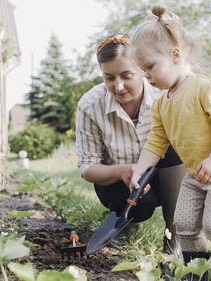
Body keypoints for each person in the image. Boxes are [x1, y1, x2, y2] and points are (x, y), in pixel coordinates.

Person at [128, 6, 211, 281]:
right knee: (183, 225)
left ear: (175, 55)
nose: (147, 76)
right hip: (195, 174)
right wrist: (139, 171)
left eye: (150, 67)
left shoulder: (206, 88)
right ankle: (196, 274)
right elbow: (155, 144)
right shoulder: (162, 104)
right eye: (142, 70)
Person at [75, 33, 184, 253]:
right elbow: (87, 168)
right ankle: (126, 225)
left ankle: (175, 238)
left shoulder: (165, 95)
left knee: (175, 151)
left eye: (127, 75)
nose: (119, 86)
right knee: (139, 206)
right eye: (109, 78)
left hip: (166, 178)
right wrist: (124, 171)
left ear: (143, 70)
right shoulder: (90, 105)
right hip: (119, 183)